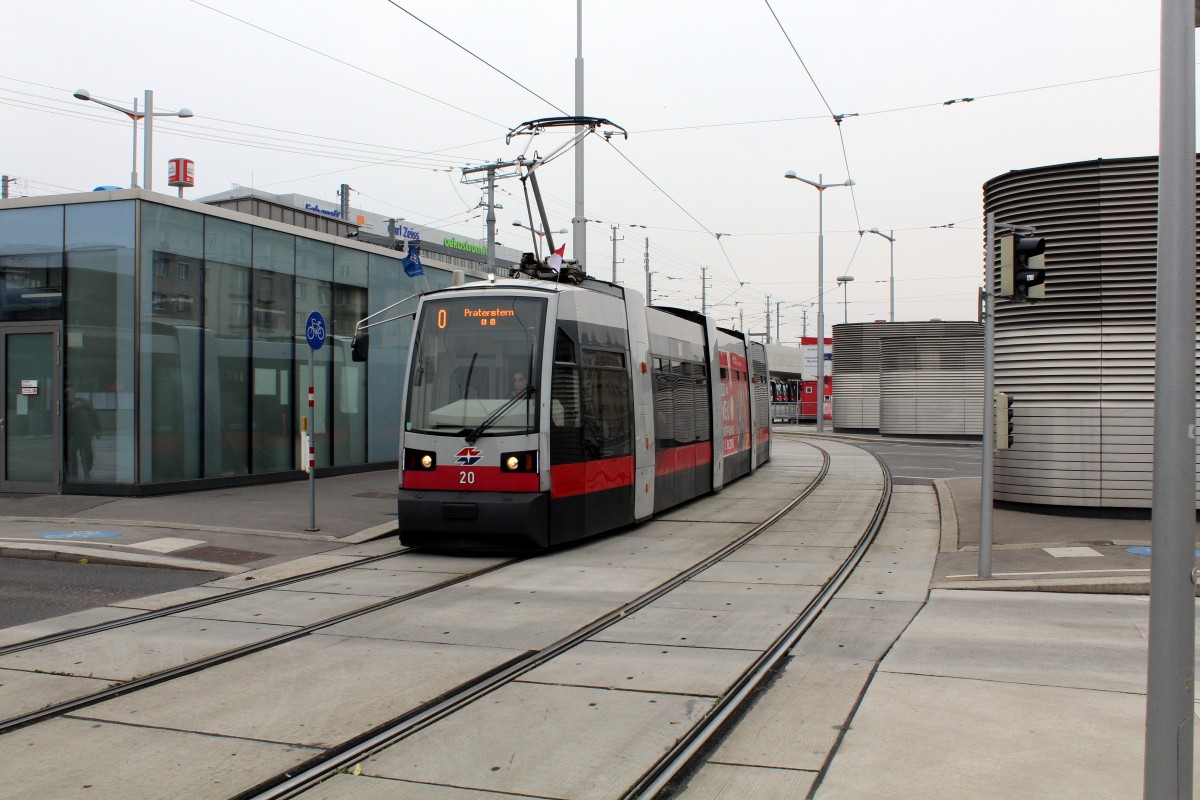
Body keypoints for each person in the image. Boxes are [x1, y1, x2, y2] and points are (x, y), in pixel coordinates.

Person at [65, 386, 100, 481]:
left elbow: (93, 415)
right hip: (71, 435)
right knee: (72, 458)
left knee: (88, 455)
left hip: (84, 434)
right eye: (67, 393)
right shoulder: (64, 404)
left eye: (71, 392)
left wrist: (98, 429)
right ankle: (74, 478)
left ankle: (87, 470)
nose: (70, 395)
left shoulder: (82, 402)